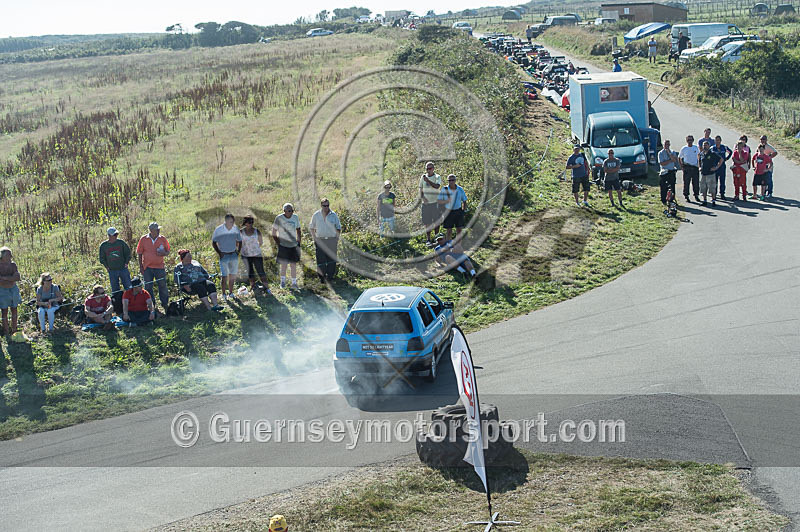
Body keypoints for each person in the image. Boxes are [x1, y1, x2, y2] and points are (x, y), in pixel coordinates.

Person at [136, 222, 170, 313]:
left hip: (160, 267)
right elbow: (139, 253)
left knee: (162, 285)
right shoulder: (143, 239)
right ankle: (152, 305)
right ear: (151, 230)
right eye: (157, 229)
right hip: (147, 267)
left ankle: (165, 304)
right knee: (148, 287)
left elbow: (168, 251)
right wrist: (141, 266)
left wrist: (164, 254)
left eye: (159, 229)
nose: (159, 231)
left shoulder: (162, 238)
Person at [308, 198, 341, 283]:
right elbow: (311, 227)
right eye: (324, 206)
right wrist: (315, 238)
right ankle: (322, 278)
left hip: (331, 240)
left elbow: (338, 227)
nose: (326, 207)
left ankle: (330, 277)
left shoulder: (333, 215)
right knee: (320, 260)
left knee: (331, 260)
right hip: (320, 240)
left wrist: (336, 238)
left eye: (327, 205)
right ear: (321, 206)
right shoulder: (316, 215)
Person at [212, 213, 242, 302]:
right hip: (224, 255)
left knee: (232, 275)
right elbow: (214, 242)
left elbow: (240, 241)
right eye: (230, 222)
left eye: (233, 222)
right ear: (225, 221)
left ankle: (231, 292)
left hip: (233, 254)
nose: (232, 223)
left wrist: (238, 252)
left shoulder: (235, 229)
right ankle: (224, 294)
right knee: (224, 276)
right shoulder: (218, 230)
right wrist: (219, 253)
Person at [272, 203, 302, 290]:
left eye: (292, 210)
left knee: (293, 265)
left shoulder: (295, 217)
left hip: (293, 244)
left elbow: (298, 229)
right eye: (289, 211)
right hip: (283, 245)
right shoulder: (279, 218)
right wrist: (279, 243)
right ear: (284, 211)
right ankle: (282, 282)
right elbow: (274, 232)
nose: (291, 212)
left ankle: (294, 283)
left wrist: (298, 241)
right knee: (284, 265)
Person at [240, 216, 270, 294]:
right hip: (245, 255)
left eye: (252, 222)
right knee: (250, 272)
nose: (251, 224)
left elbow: (261, 242)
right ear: (245, 223)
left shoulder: (257, 231)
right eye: (249, 222)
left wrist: (254, 248)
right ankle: (253, 287)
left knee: (261, 271)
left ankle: (267, 288)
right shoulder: (240, 232)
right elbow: (238, 243)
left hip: (257, 254)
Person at [0, 247, 25, 342]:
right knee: (4, 311)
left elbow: (17, 277)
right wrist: (11, 278)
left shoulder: (13, 265)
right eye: (8, 255)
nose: (11, 256)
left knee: (14, 309)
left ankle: (14, 329)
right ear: (2, 256)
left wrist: (5, 278)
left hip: (13, 289)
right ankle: (6, 331)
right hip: (2, 291)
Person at [98, 227, 132, 298]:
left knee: (129, 287)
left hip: (123, 269)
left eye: (116, 234)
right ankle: (117, 304)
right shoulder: (104, 246)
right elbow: (102, 258)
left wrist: (126, 263)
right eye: (114, 235)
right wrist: (106, 266)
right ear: (109, 236)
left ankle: (131, 303)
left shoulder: (121, 243)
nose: (116, 236)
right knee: (115, 290)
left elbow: (128, 253)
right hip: (112, 270)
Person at [438, 174, 468, 241]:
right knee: (449, 230)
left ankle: (458, 245)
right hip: (448, 211)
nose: (451, 182)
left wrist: (464, 211)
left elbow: (464, 200)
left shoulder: (460, 189)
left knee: (459, 230)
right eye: (449, 180)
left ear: (455, 180)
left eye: (452, 180)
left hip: (458, 211)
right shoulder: (444, 189)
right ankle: (449, 245)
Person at [419, 161, 442, 244]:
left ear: (433, 169)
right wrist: (423, 198)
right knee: (427, 222)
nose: (428, 170)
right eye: (427, 168)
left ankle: (436, 238)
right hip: (426, 204)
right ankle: (428, 239)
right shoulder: (423, 177)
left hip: (435, 202)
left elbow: (437, 186)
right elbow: (420, 189)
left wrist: (428, 181)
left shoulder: (437, 177)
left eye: (430, 168)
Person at [699, 141, 723, 206]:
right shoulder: (701, 153)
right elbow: (699, 161)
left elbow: (721, 159)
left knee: (712, 188)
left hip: (711, 174)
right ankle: (704, 200)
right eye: (704, 145)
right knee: (703, 188)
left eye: (706, 145)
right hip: (703, 173)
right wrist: (699, 167)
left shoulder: (712, 153)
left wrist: (716, 167)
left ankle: (713, 200)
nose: (705, 146)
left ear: (709, 146)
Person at [679, 135, 700, 202]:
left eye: (691, 140)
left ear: (693, 140)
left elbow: (699, 156)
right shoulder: (684, 148)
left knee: (696, 182)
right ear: (686, 141)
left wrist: (699, 165)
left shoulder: (696, 148)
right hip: (687, 167)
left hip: (695, 167)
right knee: (686, 182)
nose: (689, 141)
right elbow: (679, 158)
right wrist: (682, 166)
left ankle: (696, 195)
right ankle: (686, 195)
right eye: (688, 140)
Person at [658, 140, 680, 204]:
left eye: (668, 144)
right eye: (665, 144)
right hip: (664, 172)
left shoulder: (672, 152)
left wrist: (669, 154)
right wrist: (670, 160)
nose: (667, 146)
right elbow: (662, 163)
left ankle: (671, 199)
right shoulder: (660, 153)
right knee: (664, 187)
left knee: (672, 186)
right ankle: (663, 199)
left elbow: (675, 160)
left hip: (671, 171)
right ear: (663, 145)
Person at [711, 136, 732, 200]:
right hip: (715, 167)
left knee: (722, 181)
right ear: (714, 141)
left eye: (718, 140)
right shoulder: (712, 148)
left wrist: (726, 158)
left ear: (721, 140)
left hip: (722, 166)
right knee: (715, 181)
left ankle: (722, 193)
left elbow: (730, 152)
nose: (717, 141)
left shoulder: (724, 147)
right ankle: (715, 193)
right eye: (716, 140)